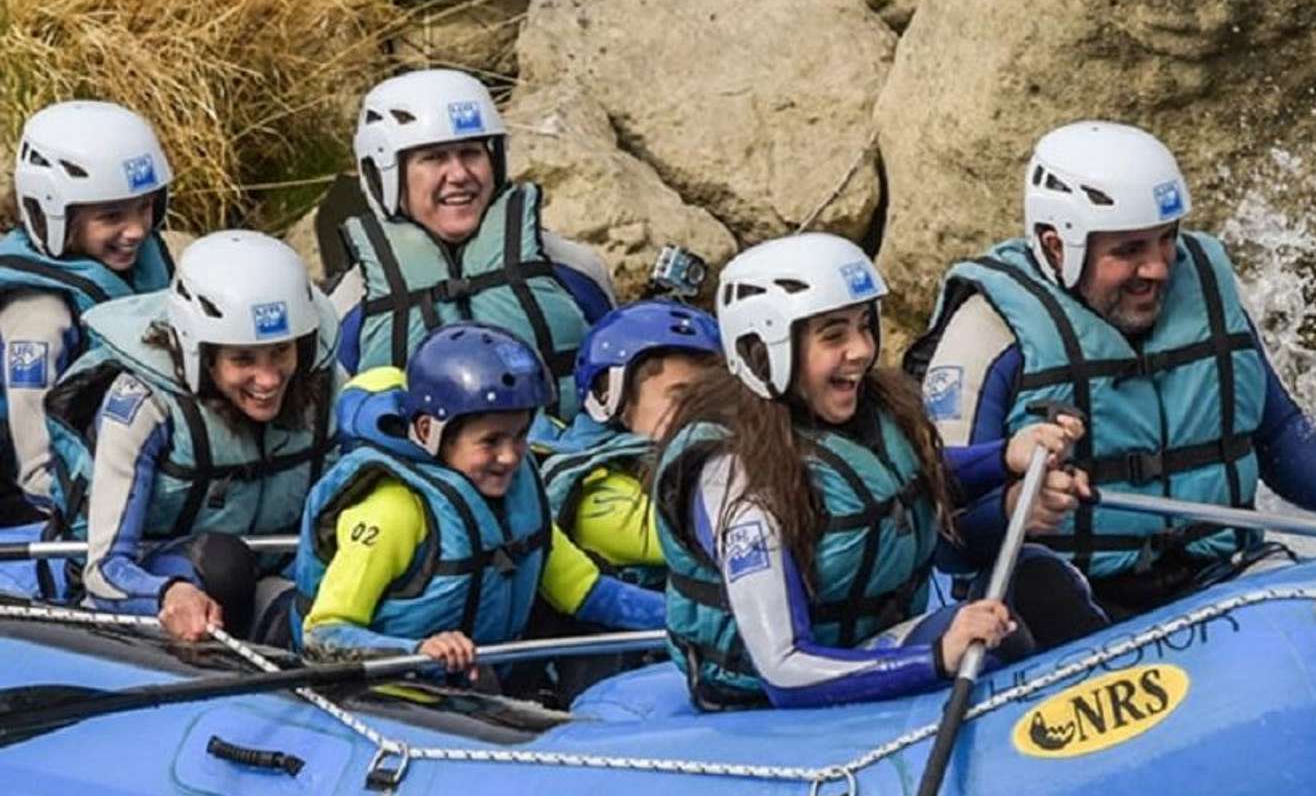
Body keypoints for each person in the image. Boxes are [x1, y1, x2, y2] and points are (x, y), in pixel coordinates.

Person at [906, 120, 1316, 621]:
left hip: (1215, 575)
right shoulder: (987, 330)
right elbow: (940, 528)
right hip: (1070, 605)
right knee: (1041, 589)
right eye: (1129, 250)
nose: (1156, 268)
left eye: (1166, 239)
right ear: (1056, 245)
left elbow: (1276, 430)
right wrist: (1013, 507)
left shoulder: (1201, 291)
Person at [655, 233, 1105, 710]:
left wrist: (1005, 457)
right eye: (834, 335)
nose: (862, 350)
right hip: (777, 698)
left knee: (1042, 581)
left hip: (873, 642)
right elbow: (784, 670)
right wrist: (936, 657)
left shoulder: (868, 410)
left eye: (864, 326)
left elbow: (906, 479)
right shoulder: (734, 479)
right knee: (996, 645)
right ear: (764, 348)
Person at [292, 322, 664, 689]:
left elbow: (582, 589)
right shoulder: (393, 512)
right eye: (490, 441)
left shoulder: (518, 495)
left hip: (481, 689)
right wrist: (418, 651)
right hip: (395, 696)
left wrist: (683, 617)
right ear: (427, 431)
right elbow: (324, 634)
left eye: (520, 436)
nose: (510, 457)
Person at [40, 231, 336, 642]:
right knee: (222, 563)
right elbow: (104, 572)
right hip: (153, 583)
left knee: (307, 610)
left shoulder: (325, 385)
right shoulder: (140, 405)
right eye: (243, 359)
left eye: (281, 351)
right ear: (201, 355)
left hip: (270, 577)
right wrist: (167, 594)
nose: (268, 379)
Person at [327, 68, 614, 418]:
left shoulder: (574, 269)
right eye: (433, 158)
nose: (460, 175)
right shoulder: (343, 308)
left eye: (471, 153)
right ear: (383, 171)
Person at [1, 101, 176, 517]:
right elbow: (38, 475)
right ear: (52, 213)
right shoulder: (39, 318)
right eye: (112, 216)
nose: (136, 230)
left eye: (145, 206)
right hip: (54, 503)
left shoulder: (144, 264)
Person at [536, 299, 724, 588]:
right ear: (611, 399)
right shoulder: (590, 493)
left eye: (710, 397)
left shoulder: (715, 457)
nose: (698, 412)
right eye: (680, 397)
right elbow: (719, 536)